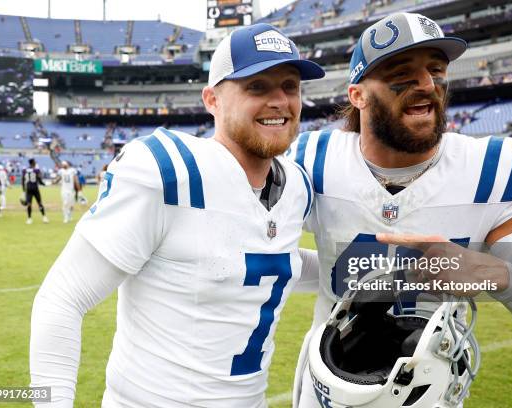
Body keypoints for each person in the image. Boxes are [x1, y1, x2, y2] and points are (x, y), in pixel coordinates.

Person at [290, 12, 512, 407]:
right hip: (328, 383)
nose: (427, 84)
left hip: (431, 392)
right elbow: (256, 254)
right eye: (403, 72)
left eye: (436, 69)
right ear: (358, 94)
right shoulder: (312, 159)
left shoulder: (493, 169)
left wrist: (495, 274)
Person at [30, 23, 325, 407]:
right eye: (257, 87)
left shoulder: (296, 186)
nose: (279, 101)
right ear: (212, 100)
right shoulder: (167, 172)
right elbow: (62, 298)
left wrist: (398, 272)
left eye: (290, 86)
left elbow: (271, 264)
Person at [22, 158, 48, 225]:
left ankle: (29, 218)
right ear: (33, 162)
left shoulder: (25, 170)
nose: (35, 162)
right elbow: (39, 179)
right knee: (39, 203)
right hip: (35, 188)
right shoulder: (36, 170)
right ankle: (44, 217)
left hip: (28, 189)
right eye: (34, 162)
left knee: (29, 204)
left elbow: (22, 180)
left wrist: (23, 190)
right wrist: (44, 184)